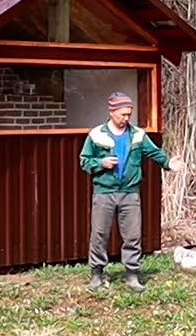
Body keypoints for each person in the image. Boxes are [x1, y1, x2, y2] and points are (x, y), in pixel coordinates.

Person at [79, 92, 186, 292]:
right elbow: (84, 161)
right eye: (122, 114)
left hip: (130, 193)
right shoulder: (96, 135)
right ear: (111, 112)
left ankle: (132, 275)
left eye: (129, 114)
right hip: (104, 192)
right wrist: (101, 163)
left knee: (132, 235)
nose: (126, 118)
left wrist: (168, 163)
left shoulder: (138, 135)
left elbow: (154, 153)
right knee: (99, 234)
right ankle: (96, 273)